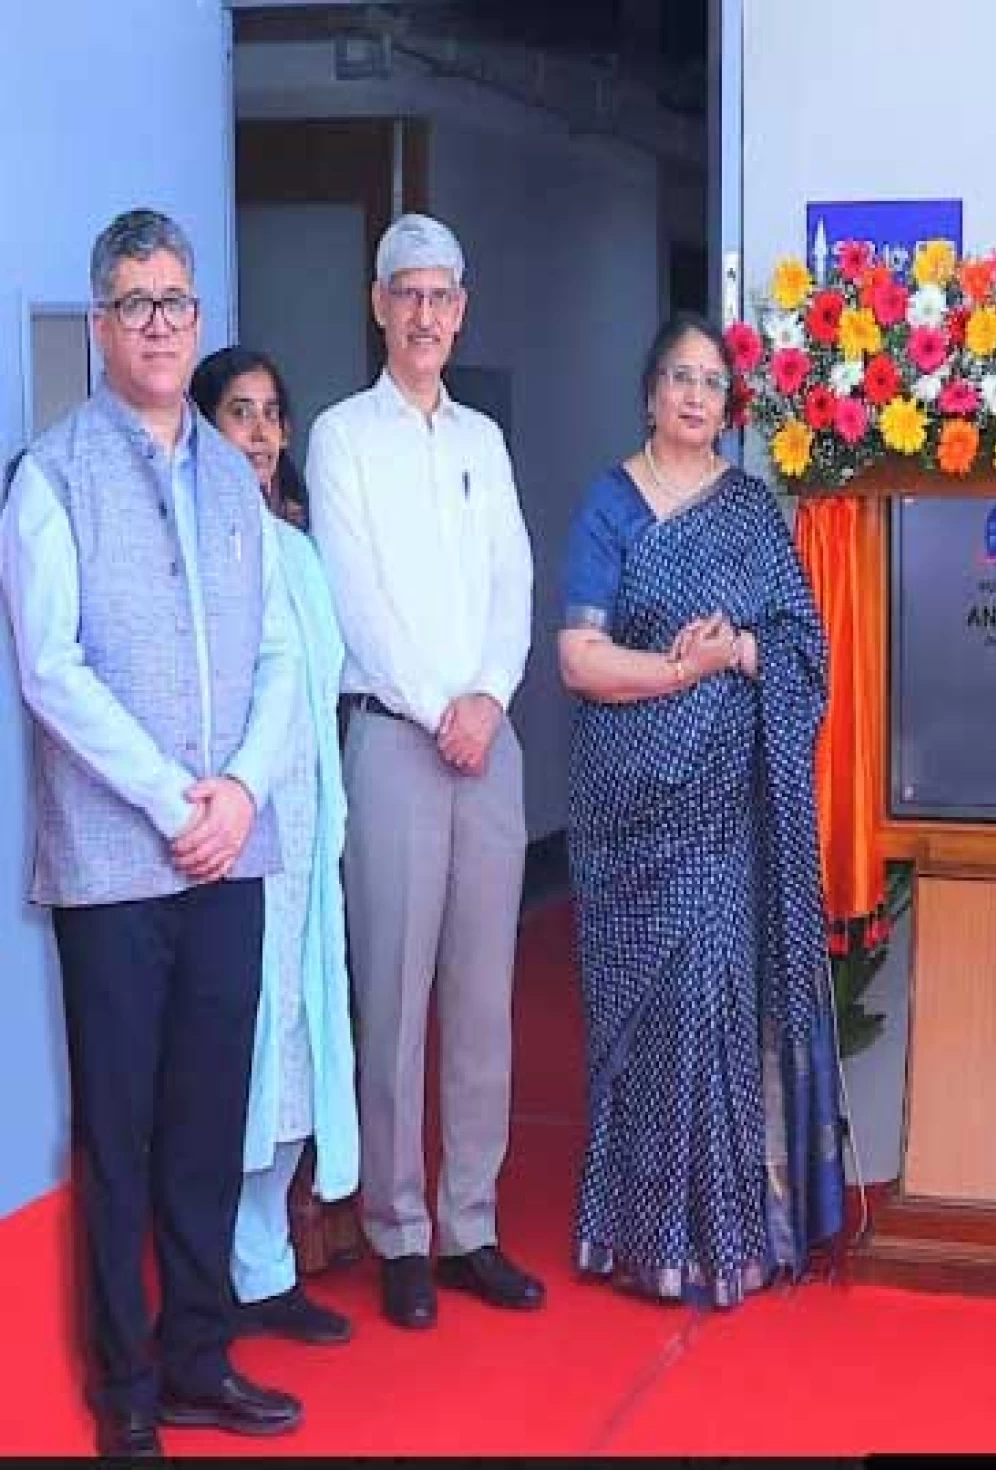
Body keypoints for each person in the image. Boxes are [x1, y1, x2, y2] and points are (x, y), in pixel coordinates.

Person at [0, 209, 303, 1454]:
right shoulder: (49, 473)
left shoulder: (237, 474)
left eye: (179, 302)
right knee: (119, 1136)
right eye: (137, 305)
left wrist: (237, 788)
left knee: (205, 1123)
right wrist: (170, 798)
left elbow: (282, 650)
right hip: (118, 868)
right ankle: (126, 1393)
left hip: (231, 847)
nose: (163, 325)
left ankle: (199, 1361)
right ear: (101, 322)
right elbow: (49, 671)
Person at [558, 311, 846, 1306]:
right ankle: (640, 1235)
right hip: (624, 807)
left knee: (716, 1003)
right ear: (649, 394)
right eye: (678, 378)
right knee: (641, 1020)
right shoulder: (610, 506)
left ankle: (726, 1235)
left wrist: (742, 653)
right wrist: (682, 668)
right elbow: (577, 659)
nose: (694, 396)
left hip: (727, 813)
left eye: (711, 384)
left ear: (729, 409)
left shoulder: (754, 514)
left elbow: (807, 653)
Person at [305, 212, 543, 1329]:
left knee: (483, 1002)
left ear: (463, 307)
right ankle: (397, 1228)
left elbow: (515, 582)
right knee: (393, 995)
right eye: (407, 293)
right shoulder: (344, 438)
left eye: (443, 296)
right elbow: (357, 596)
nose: (426, 314)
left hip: (488, 740)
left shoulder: (484, 442)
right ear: (377, 304)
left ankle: (470, 1225)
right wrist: (435, 706)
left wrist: (489, 695)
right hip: (396, 740)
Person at [190, 346, 359, 1347]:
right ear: (204, 429)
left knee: (298, 1041)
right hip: (229, 838)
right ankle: (208, 1277)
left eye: (270, 415)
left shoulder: (296, 552)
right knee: (232, 1054)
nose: (257, 433)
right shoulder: (199, 547)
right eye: (237, 413)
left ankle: (266, 1265)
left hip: (303, 837)